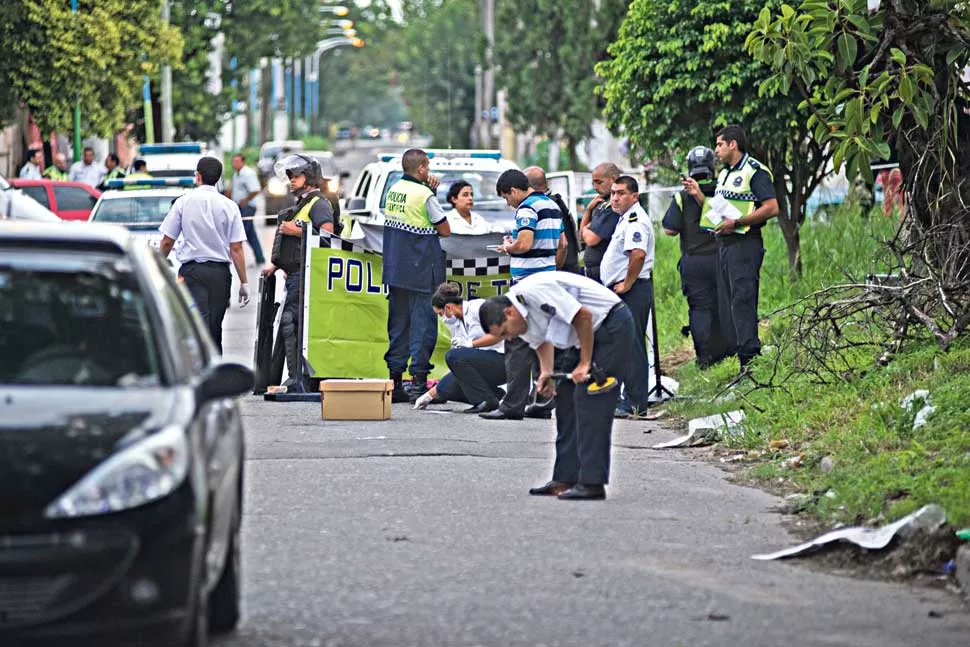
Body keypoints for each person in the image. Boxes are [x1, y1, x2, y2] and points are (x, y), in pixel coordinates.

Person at [479, 271, 636, 501]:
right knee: (565, 401)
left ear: (509, 313)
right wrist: (547, 374)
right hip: (583, 334)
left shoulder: (533, 291)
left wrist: (584, 363)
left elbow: (582, 316)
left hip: (610, 324)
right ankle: (565, 478)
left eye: (505, 332)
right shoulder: (521, 312)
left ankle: (592, 482)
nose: (509, 339)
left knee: (589, 401)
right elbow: (541, 341)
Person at [683, 124, 779, 371]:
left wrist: (737, 222)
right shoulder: (725, 174)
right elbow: (719, 210)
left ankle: (751, 360)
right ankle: (743, 358)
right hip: (725, 245)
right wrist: (697, 195)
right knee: (732, 302)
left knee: (743, 299)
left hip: (745, 244)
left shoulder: (753, 171)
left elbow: (771, 207)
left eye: (719, 144)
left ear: (732, 144)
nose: (716, 150)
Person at [482, 169, 565, 421]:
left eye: (507, 198)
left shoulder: (527, 209)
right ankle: (542, 400)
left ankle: (512, 405)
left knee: (516, 341)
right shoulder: (551, 204)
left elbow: (525, 244)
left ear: (514, 191)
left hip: (527, 282)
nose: (509, 203)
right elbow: (563, 245)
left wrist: (509, 247)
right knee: (540, 338)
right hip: (547, 278)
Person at [158, 157, 250, 354]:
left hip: (192, 272)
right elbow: (236, 248)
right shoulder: (230, 206)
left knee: (197, 324)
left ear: (197, 176)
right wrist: (244, 283)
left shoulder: (183, 202)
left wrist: (156, 265)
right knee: (215, 327)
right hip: (220, 274)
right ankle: (216, 370)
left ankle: (199, 367)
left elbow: (167, 241)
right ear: (218, 179)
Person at [382, 148, 451, 403]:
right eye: (428, 167)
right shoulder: (424, 195)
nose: (429, 171)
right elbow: (445, 230)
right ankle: (419, 382)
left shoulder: (394, 190)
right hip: (422, 270)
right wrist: (432, 193)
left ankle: (396, 382)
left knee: (398, 326)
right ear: (421, 168)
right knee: (423, 326)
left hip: (396, 270)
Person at [262, 154, 335, 392]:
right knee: (291, 323)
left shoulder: (319, 203)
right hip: (295, 274)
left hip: (309, 276)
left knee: (291, 322)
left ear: (310, 177)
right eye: (290, 176)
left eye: (297, 176)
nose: (291, 180)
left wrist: (298, 230)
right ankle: (295, 378)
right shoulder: (303, 203)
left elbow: (327, 236)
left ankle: (298, 380)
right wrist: (277, 263)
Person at [663, 146, 731, 369]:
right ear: (712, 166)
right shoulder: (722, 190)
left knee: (699, 308)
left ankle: (704, 359)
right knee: (723, 304)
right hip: (720, 258)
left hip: (693, 261)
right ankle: (725, 351)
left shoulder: (682, 196)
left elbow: (669, 230)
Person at [599, 175, 653, 418]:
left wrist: (627, 283)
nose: (615, 198)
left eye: (621, 193)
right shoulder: (624, 219)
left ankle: (635, 402)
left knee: (632, 346)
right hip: (625, 289)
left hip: (633, 289)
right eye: (612, 193)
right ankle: (627, 398)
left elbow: (638, 255)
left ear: (634, 196)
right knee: (625, 343)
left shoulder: (635, 220)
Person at [412, 282, 506, 413]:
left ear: (448, 307)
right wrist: (428, 396)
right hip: (484, 365)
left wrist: (471, 344)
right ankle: (497, 396)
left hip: (505, 360)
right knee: (444, 388)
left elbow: (501, 334)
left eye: (440, 313)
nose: (442, 318)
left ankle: (485, 400)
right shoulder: (455, 325)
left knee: (453, 356)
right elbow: (458, 367)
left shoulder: (478, 308)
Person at [524, 166, 581, 273]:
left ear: (527, 186)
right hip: (567, 266)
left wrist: (552, 271)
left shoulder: (544, 206)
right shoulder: (554, 202)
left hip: (560, 270)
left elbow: (563, 244)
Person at [579, 162, 622, 283]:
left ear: (613, 179)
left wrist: (586, 230)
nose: (595, 187)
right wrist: (588, 210)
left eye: (599, 182)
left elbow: (591, 239)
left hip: (606, 272)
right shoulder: (601, 204)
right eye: (593, 183)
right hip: (595, 271)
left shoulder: (614, 206)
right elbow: (581, 237)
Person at [229, 153, 265, 266]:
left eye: (237, 161)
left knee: (240, 232)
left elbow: (256, 189)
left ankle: (232, 256)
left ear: (242, 162)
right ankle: (260, 257)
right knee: (250, 234)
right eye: (234, 161)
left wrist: (245, 200)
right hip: (239, 207)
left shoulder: (248, 174)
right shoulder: (236, 174)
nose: (235, 163)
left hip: (248, 207)